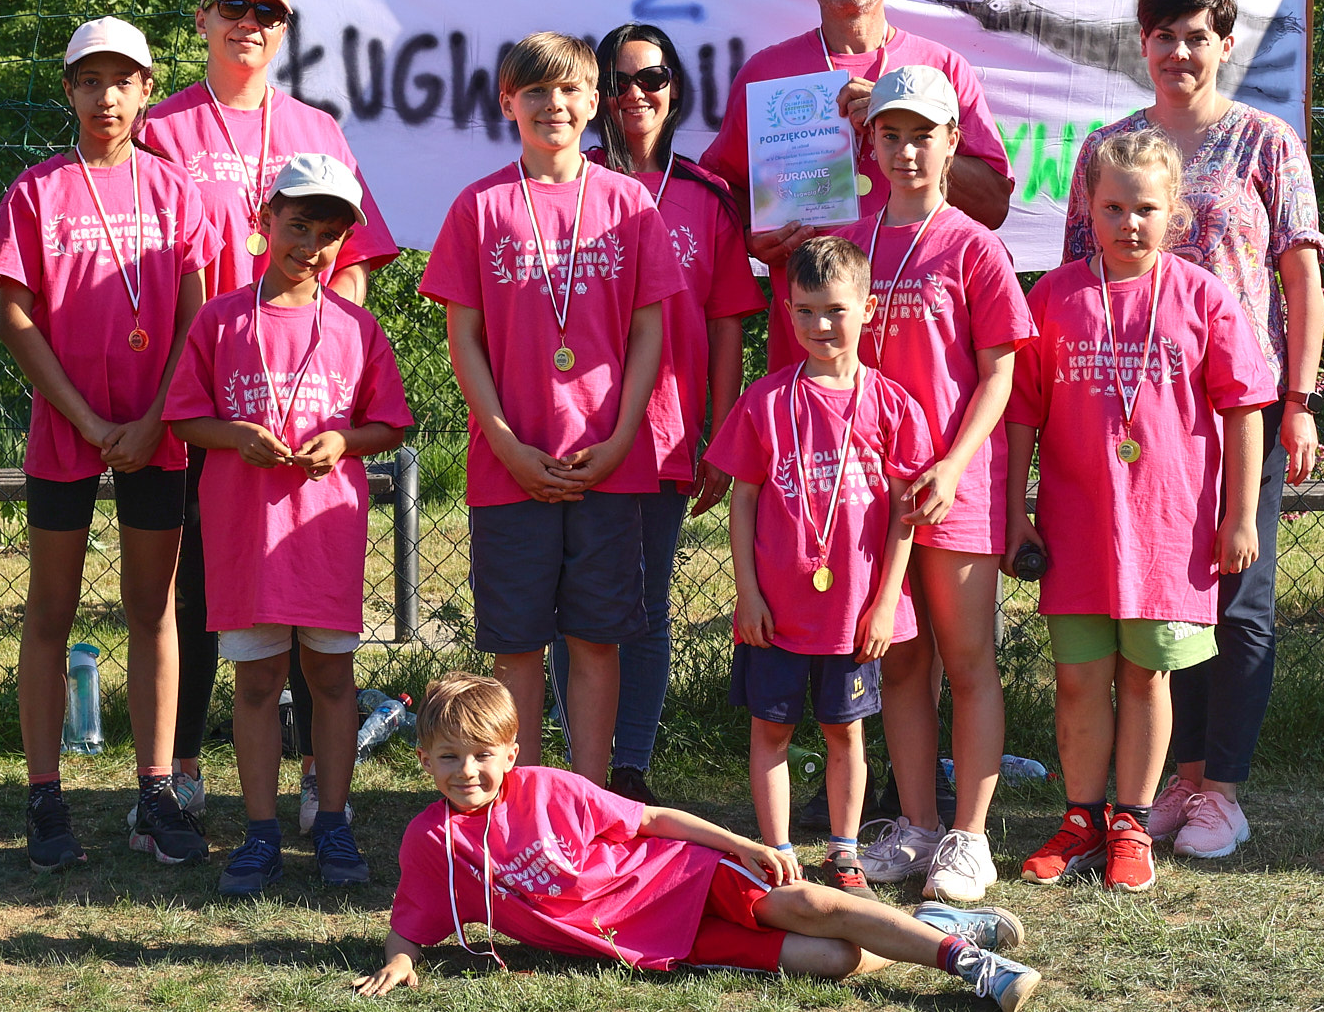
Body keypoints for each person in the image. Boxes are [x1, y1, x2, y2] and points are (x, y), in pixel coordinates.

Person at [1063, 0, 1324, 860]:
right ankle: (1175, 779)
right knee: (1162, 600)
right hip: (1139, 419)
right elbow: (1079, 277)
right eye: (1164, 36)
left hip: (1240, 410)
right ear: (1143, 44)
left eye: (1197, 36)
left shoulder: (1266, 141)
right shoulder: (1109, 147)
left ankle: (1222, 789)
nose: (1180, 51)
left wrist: (1299, 400)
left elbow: (1301, 277)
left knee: (1241, 596)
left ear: (1225, 44)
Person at [353, 672, 1042, 1010]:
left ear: (511, 752)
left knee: (810, 905)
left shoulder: (551, 787)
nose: (467, 771)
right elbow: (410, 923)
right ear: (423, 760)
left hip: (681, 875)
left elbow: (651, 821)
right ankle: (932, 923)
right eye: (449, 757)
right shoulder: (431, 840)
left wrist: (738, 843)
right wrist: (402, 961)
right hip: (650, 940)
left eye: (481, 755)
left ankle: (972, 965)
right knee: (830, 957)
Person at [139, 0, 399, 826]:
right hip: (197, 391)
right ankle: (179, 768)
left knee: (300, 592)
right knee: (195, 588)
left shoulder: (316, 128)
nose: (249, 22)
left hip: (301, 399)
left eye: (268, 11)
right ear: (203, 17)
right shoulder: (163, 127)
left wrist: (327, 361)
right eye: (232, 6)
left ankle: (317, 780)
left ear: (284, 31)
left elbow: (354, 263)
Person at [1008, 129, 1276, 893]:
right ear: (1088, 209)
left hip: (1166, 531)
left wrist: (1240, 514)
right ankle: (1081, 818)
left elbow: (1244, 407)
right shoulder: (1055, 296)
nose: (1129, 222)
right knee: (1078, 680)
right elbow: (1022, 410)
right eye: (1113, 207)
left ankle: (1131, 821)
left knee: (1147, 678)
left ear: (1174, 213)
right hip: (1077, 529)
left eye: (1146, 209)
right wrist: (1016, 510)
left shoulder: (1203, 296)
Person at [418, 33, 680, 786]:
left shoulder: (628, 203)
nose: (553, 104)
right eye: (535, 91)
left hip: (609, 464)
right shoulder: (480, 206)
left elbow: (649, 331)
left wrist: (623, 436)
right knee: (517, 649)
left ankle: (588, 798)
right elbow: (464, 337)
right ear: (508, 103)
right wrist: (504, 443)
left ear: (595, 101)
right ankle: (521, 801)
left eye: (569, 90)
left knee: (598, 640)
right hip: (511, 468)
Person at [0, 17, 218, 872]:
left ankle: (155, 791)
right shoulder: (36, 192)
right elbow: (15, 316)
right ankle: (44, 796)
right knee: (50, 610)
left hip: (156, 430)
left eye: (122, 80)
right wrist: (86, 420)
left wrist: (158, 415)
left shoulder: (175, 190)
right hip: (68, 425)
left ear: (146, 88)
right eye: (90, 81)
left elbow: (196, 315)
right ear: (69, 90)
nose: (106, 97)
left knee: (152, 607)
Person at [166, 154, 414, 895]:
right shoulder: (220, 320)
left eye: (329, 234)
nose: (311, 245)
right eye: (299, 225)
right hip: (246, 534)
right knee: (256, 680)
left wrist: (345, 441)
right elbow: (185, 415)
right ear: (265, 219)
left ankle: (332, 821)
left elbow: (389, 423)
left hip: (323, 533)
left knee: (331, 677)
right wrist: (234, 436)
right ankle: (260, 831)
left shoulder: (356, 327)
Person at [826, 67, 1033, 902]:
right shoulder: (852, 242)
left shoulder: (975, 245)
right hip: (869, 495)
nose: (906, 151)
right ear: (869, 143)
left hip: (952, 487)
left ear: (953, 142)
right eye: (891, 134)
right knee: (904, 662)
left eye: (923, 135)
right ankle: (916, 825)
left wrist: (950, 464)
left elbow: (1000, 372)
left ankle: (969, 837)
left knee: (968, 659)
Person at [548, 23, 767, 804]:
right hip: (574, 428)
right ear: (596, 94)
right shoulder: (567, 183)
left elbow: (727, 322)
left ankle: (630, 767)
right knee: (576, 604)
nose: (635, 95)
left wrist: (722, 433)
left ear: (675, 89)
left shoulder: (707, 198)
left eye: (653, 78)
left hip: (665, 434)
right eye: (618, 81)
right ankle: (581, 765)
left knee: (643, 603)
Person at [700, 0, 1015, 371]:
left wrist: (900, 121)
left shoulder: (943, 70)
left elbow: (993, 206)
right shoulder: (766, 75)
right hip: (814, 352)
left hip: (922, 348)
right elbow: (721, 196)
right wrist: (750, 236)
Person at [705, 236, 930, 889]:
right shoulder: (766, 401)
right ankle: (777, 852)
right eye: (804, 310)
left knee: (845, 733)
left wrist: (886, 602)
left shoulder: (891, 404)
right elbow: (743, 499)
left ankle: (844, 849)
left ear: (867, 308)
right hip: (776, 612)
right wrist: (748, 593)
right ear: (787, 311)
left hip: (853, 613)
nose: (819, 325)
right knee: (771, 730)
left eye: (834, 309)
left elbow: (906, 515)